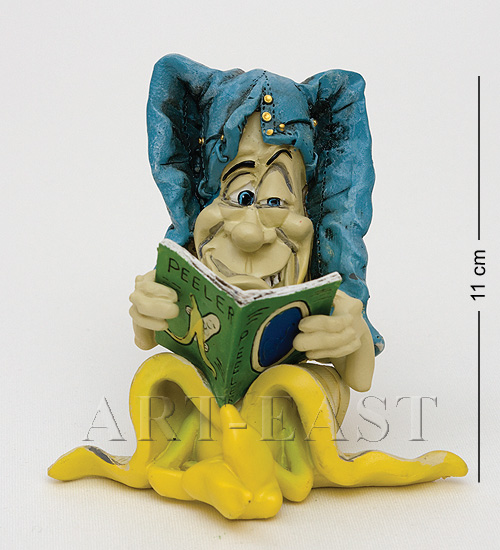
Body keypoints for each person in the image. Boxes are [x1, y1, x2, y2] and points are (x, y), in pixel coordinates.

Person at [48, 56, 467, 520]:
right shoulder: (195, 254)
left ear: (313, 207)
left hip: (285, 415)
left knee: (306, 383)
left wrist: (352, 336)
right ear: (202, 196)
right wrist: (147, 309)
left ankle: (243, 472)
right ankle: (216, 472)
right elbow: (148, 339)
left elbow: (359, 378)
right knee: (159, 375)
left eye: (276, 201)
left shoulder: (318, 274)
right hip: (201, 405)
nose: (250, 231)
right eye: (240, 196)